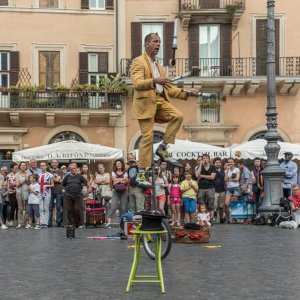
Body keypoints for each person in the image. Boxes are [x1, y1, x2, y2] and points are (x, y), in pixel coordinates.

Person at [131, 32, 198, 186]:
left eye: (159, 42)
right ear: (146, 44)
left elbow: (170, 89)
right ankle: (142, 173)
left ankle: (162, 147)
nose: (158, 45)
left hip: (160, 100)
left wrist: (187, 92)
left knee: (178, 116)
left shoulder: (160, 67)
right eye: (155, 41)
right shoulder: (138, 61)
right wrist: (154, 80)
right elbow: (137, 83)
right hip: (146, 102)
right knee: (147, 137)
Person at [61, 163, 88, 228]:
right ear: (69, 170)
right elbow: (62, 184)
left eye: (74, 168)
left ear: (76, 168)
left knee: (77, 210)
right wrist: (65, 190)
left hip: (78, 195)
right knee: (70, 210)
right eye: (71, 169)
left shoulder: (80, 176)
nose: (73, 170)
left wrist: (87, 189)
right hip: (68, 195)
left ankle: (78, 224)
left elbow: (87, 183)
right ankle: (71, 224)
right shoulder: (67, 177)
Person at [105, 159, 128, 228]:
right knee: (113, 207)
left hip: (124, 191)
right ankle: (108, 222)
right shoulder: (113, 172)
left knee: (123, 208)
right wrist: (122, 180)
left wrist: (118, 180)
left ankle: (122, 222)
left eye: (119, 164)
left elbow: (126, 181)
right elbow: (114, 181)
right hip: (115, 191)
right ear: (115, 165)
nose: (118, 165)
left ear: (122, 164)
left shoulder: (125, 172)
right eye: (117, 164)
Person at [196, 154, 216, 221]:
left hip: (210, 188)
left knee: (211, 204)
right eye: (203, 158)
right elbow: (197, 175)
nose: (205, 159)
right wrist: (200, 165)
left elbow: (212, 177)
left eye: (206, 158)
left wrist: (202, 176)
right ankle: (202, 218)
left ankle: (211, 219)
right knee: (201, 203)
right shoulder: (199, 167)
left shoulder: (212, 167)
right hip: (201, 188)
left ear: (209, 159)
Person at [224, 158, 240, 223]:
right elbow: (225, 179)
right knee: (226, 204)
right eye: (229, 162)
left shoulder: (237, 169)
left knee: (235, 203)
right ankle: (228, 218)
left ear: (234, 163)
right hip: (229, 188)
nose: (230, 163)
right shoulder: (226, 171)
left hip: (236, 187)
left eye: (231, 162)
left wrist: (229, 179)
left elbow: (237, 179)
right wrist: (227, 170)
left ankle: (235, 218)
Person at [15, 162, 31, 229]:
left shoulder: (28, 174)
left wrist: (28, 179)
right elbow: (17, 185)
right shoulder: (17, 174)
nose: (23, 166)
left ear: (26, 167)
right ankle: (19, 223)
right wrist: (25, 178)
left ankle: (26, 223)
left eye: (24, 165)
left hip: (27, 192)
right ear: (19, 166)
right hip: (19, 192)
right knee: (20, 208)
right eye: (22, 165)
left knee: (27, 208)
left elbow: (30, 183)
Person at [39, 162, 54, 228]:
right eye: (41, 165)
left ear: (46, 166)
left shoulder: (50, 175)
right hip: (39, 193)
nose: (42, 167)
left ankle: (46, 223)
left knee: (46, 208)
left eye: (44, 165)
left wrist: (47, 185)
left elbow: (52, 185)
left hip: (47, 193)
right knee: (41, 208)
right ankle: (41, 222)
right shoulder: (38, 174)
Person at [49, 159, 63, 227]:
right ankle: (49, 222)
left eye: (55, 163)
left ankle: (58, 222)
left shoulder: (60, 171)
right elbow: (56, 179)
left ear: (57, 164)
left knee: (58, 207)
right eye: (53, 163)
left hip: (58, 191)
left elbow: (58, 179)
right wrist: (55, 178)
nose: (54, 164)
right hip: (50, 191)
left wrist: (51, 178)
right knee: (50, 207)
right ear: (51, 164)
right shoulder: (49, 171)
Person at [213, 157, 225, 223]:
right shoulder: (212, 170)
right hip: (215, 190)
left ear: (221, 163)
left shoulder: (223, 171)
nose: (218, 164)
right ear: (214, 163)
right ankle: (214, 217)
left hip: (222, 190)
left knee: (221, 206)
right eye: (216, 163)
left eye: (219, 162)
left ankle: (221, 218)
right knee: (215, 205)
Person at [7, 162, 19, 226]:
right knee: (13, 206)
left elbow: (18, 183)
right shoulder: (9, 175)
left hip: (18, 192)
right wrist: (15, 184)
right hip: (12, 192)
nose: (16, 169)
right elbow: (9, 184)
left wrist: (15, 184)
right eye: (15, 168)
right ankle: (11, 220)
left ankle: (17, 220)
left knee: (18, 207)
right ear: (12, 168)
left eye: (17, 168)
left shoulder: (19, 174)